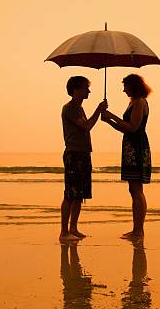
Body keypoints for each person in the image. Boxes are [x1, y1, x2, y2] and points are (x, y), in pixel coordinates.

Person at [101, 74, 152, 239]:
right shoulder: (133, 102)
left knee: (136, 190)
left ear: (133, 86)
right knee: (134, 189)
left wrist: (112, 116)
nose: (123, 90)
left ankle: (138, 230)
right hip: (131, 146)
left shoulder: (139, 102)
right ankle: (137, 229)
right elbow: (126, 129)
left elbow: (133, 127)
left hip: (136, 148)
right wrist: (108, 121)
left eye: (125, 86)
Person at [60, 76, 107, 242]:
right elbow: (86, 126)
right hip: (74, 154)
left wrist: (98, 112)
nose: (88, 91)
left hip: (83, 153)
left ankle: (73, 228)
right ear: (75, 89)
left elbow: (86, 125)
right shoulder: (71, 108)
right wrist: (98, 110)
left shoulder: (78, 108)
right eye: (85, 88)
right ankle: (64, 231)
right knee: (70, 194)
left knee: (79, 194)